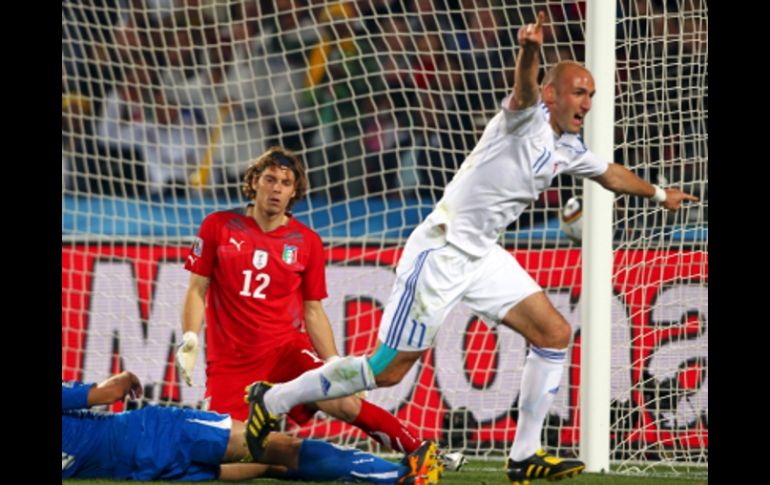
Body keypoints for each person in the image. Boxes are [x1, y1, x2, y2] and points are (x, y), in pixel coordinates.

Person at [241, 11, 699, 485]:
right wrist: (529, 50)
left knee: (554, 333)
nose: (586, 102)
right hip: (441, 252)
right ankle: (271, 399)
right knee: (386, 371)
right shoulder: (524, 121)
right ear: (552, 94)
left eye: (591, 95)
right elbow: (522, 88)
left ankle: (524, 456)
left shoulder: (567, 146)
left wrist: (661, 196)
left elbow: (608, 172)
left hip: (481, 254)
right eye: (578, 92)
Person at [175, 146, 451, 471]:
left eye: (286, 182)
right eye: (270, 179)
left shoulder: (306, 241)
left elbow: (313, 311)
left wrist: (336, 367)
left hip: (285, 351)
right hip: (231, 363)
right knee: (216, 455)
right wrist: (190, 336)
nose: (277, 188)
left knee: (343, 401)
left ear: (294, 192)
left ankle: (419, 450)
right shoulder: (218, 226)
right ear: (254, 182)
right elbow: (197, 289)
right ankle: (285, 462)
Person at [62, 370, 438, 483]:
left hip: (145, 471)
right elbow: (106, 393)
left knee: (270, 466)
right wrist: (126, 378)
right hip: (155, 433)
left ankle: (396, 477)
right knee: (282, 450)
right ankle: (399, 476)